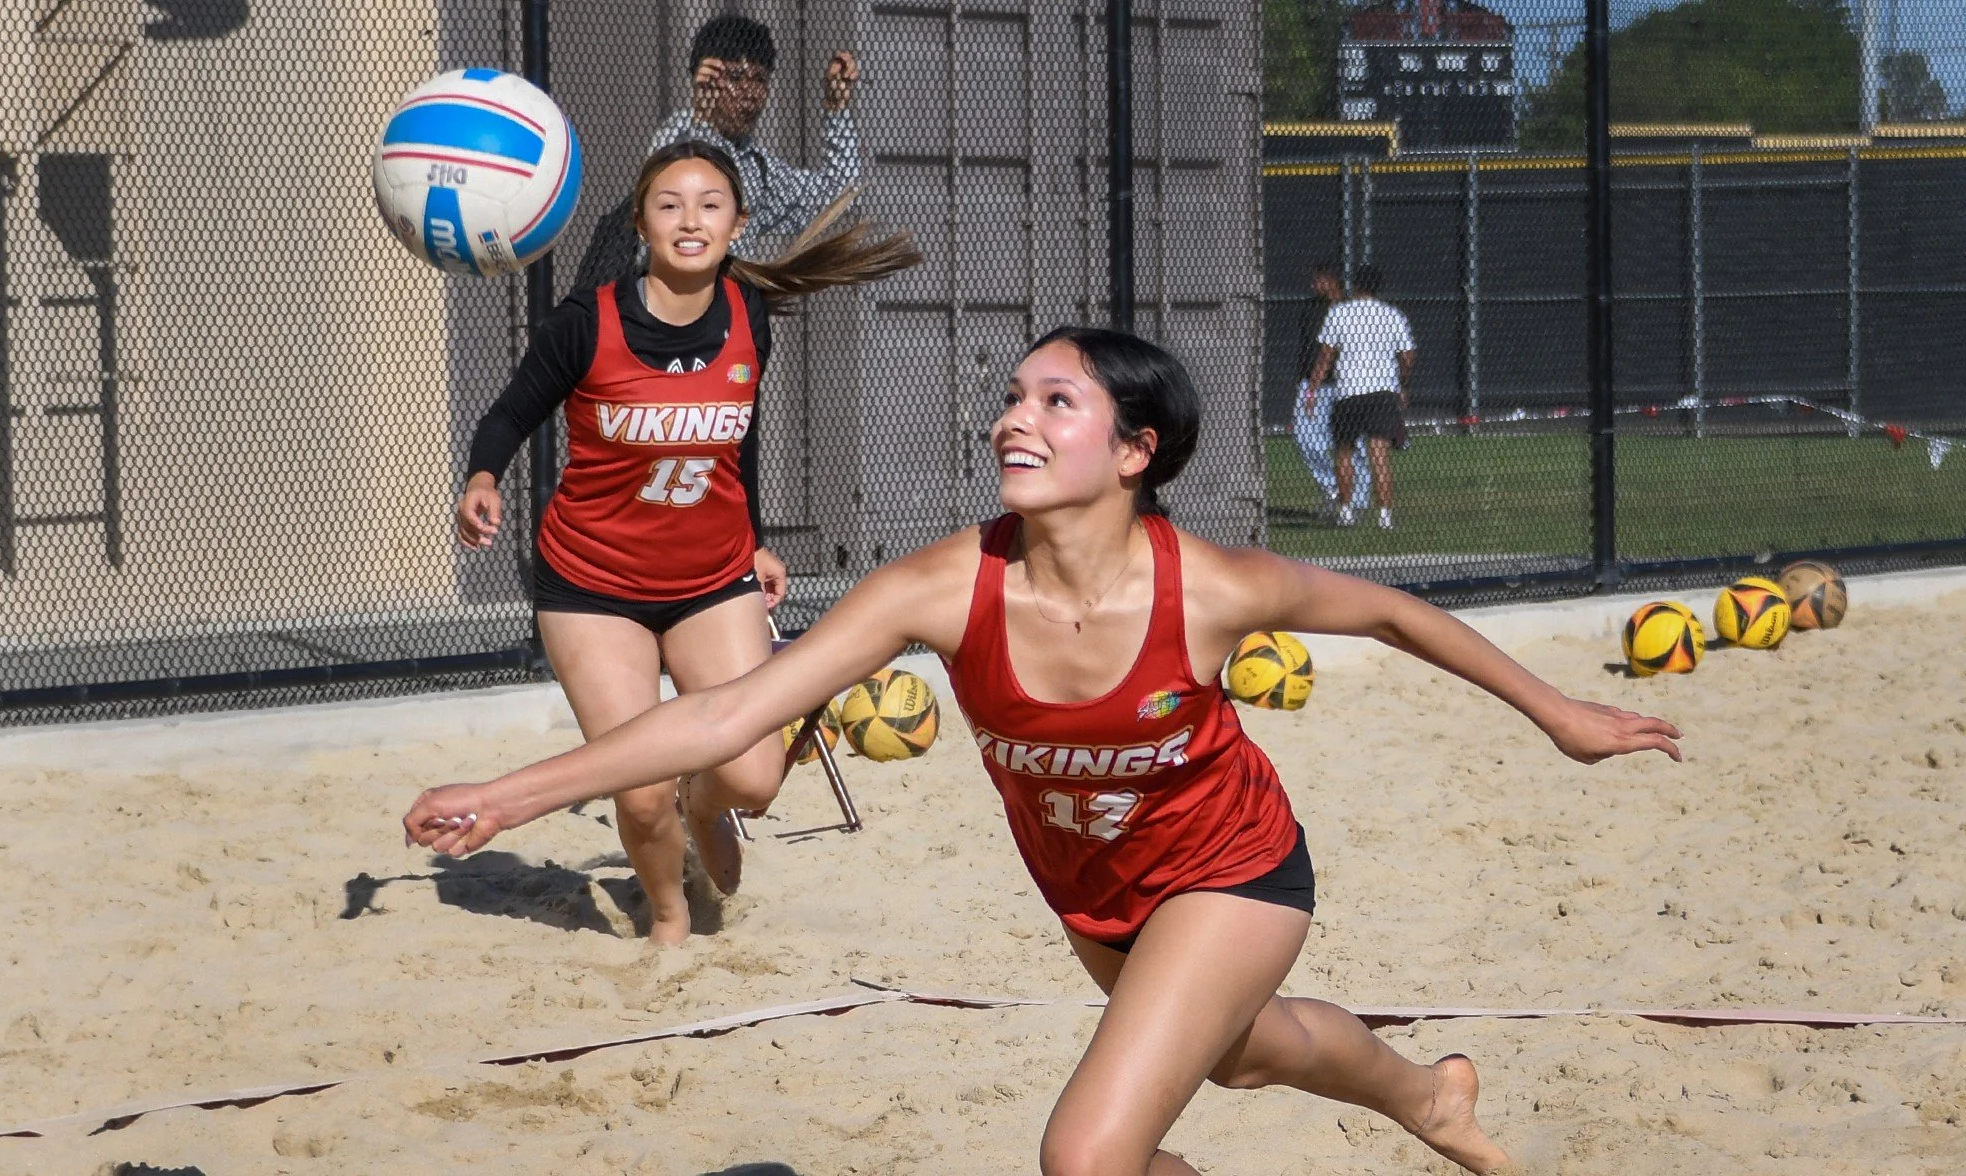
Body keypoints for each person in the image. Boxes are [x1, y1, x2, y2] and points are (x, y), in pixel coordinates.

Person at [413, 328, 1681, 1173]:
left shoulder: (1214, 587)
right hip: (1091, 897)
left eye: (1053, 403)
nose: (1014, 420)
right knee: (1239, 1056)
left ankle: (1406, 1099)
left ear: (1134, 451)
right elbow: (715, 719)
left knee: (1082, 1156)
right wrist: (510, 795)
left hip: (1232, 875)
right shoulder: (939, 585)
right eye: (1011, 399)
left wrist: (1558, 715)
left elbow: (1394, 611)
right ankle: (1423, 1097)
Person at [456, 140, 916, 945]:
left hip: (710, 579)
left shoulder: (750, 316)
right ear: (642, 223)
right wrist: (483, 478)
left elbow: (735, 445)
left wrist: (756, 541)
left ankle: (705, 808)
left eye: (710, 203)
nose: (690, 218)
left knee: (753, 775)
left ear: (736, 223)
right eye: (670, 204)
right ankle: (669, 922)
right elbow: (507, 414)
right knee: (637, 790)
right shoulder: (585, 323)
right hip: (593, 588)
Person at [568, 14, 862, 290]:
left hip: (724, 319)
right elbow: (670, 174)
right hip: (665, 311)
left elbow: (838, 194)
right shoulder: (679, 133)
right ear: (706, 77)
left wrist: (836, 110)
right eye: (735, 77)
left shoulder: (756, 166)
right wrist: (702, 114)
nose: (748, 91)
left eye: (759, 79)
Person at [1309, 263, 1414, 530]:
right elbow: (1408, 356)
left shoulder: (1340, 313)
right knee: (1379, 454)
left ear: (1354, 285)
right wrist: (1401, 382)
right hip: (1382, 392)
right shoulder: (1392, 315)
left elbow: (1326, 355)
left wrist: (1313, 388)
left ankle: (1345, 511)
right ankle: (1385, 517)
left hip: (1349, 392)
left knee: (1344, 451)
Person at [1293, 261, 1370, 516]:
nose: (1313, 285)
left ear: (1331, 280)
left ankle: (1357, 500)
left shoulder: (1351, 309)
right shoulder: (1310, 310)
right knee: (1306, 438)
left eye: (1318, 279)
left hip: (1346, 383)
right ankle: (1334, 488)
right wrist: (1308, 385)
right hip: (1313, 383)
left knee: (1351, 443)